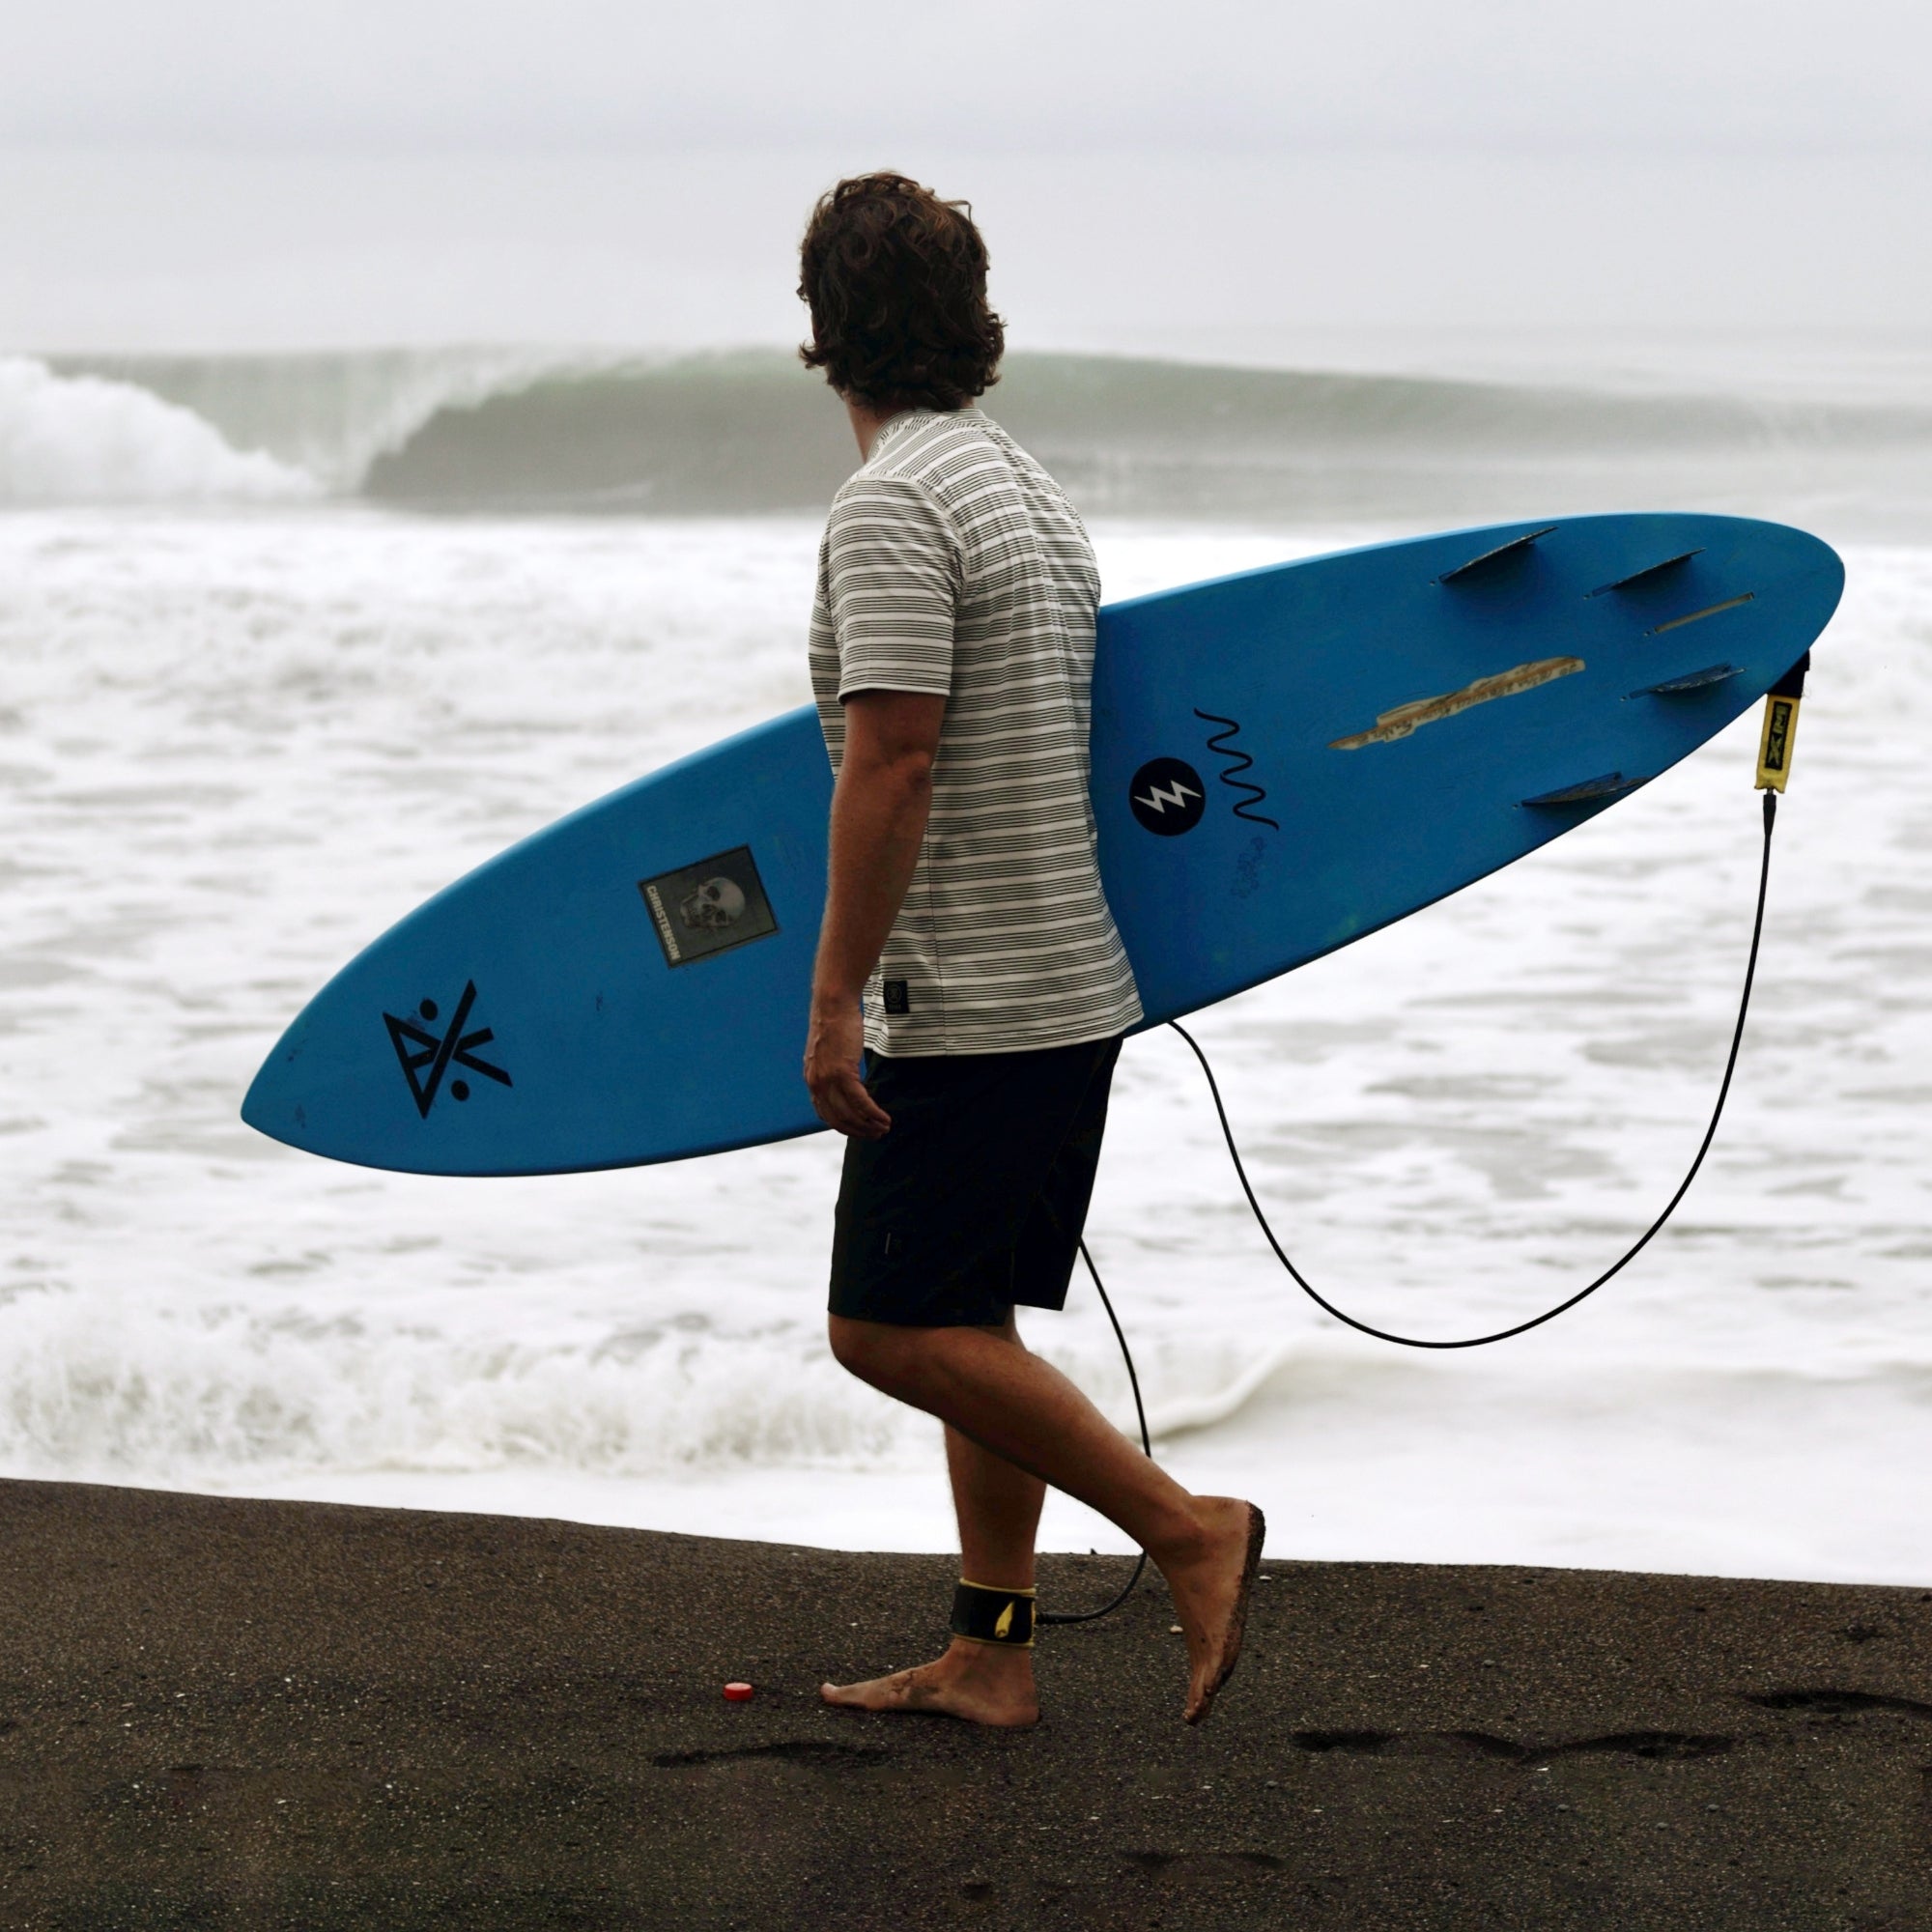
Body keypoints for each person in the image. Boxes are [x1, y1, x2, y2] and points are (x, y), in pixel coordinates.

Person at [798, 174, 1264, 1729]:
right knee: (967, 1321)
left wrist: (834, 991)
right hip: (1067, 981)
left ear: (825, 327)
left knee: (886, 1326)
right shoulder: (1016, 483)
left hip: (976, 996)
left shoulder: (889, 504)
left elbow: (896, 761)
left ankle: (1190, 1532)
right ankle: (993, 1649)